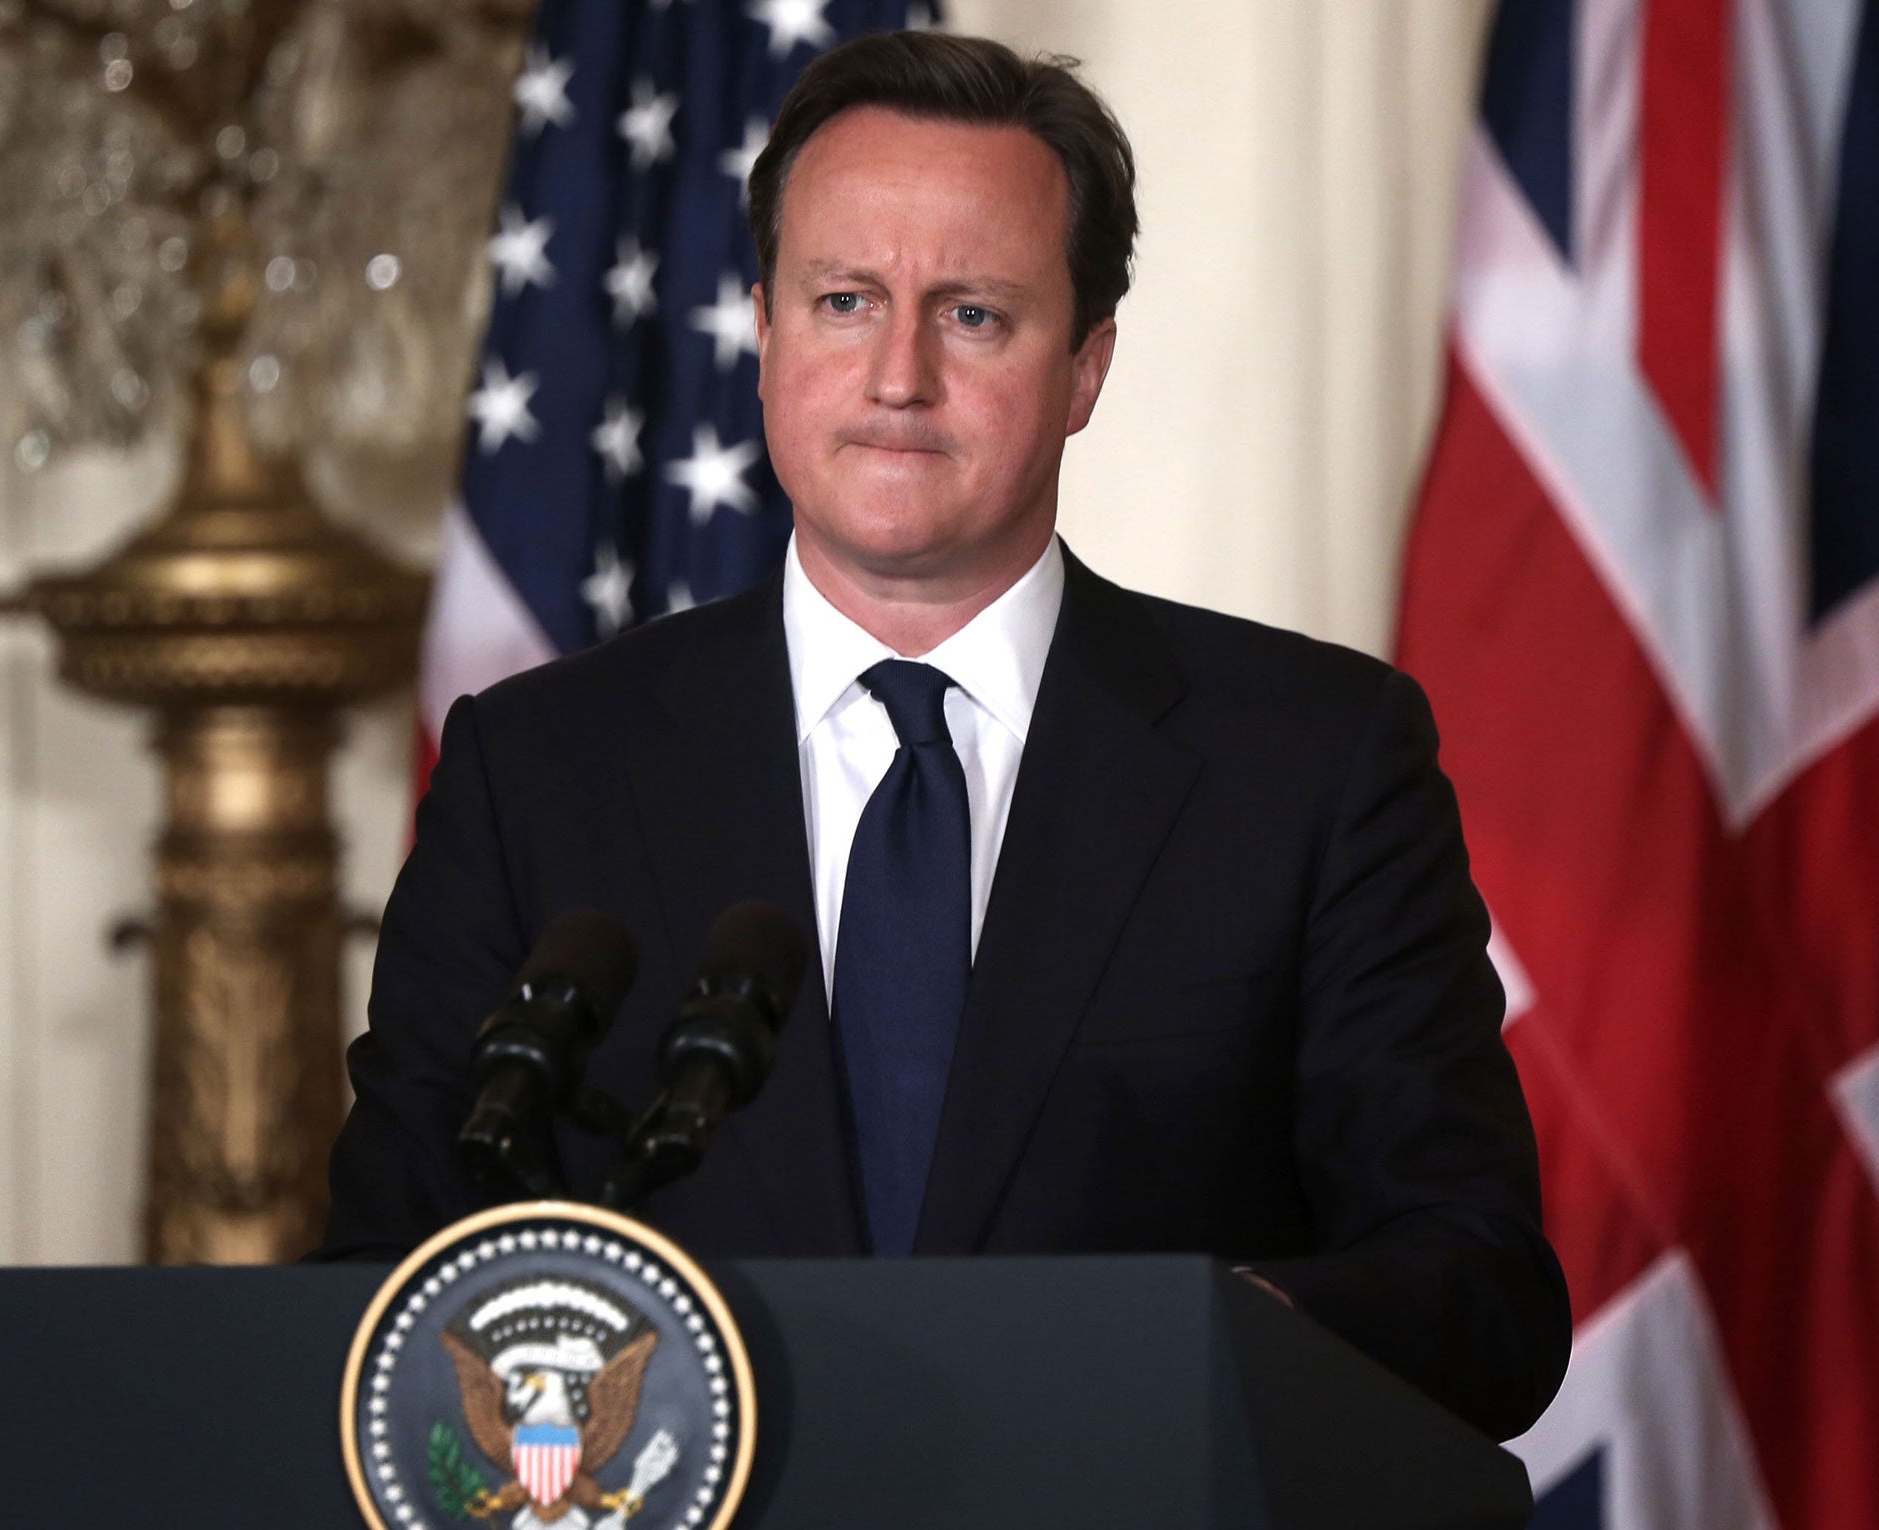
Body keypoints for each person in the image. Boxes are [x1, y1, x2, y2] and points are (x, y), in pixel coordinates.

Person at [321, 30, 1571, 1442]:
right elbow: (380, 1277)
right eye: (846, 300)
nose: (897, 372)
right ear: (768, 329)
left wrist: (1222, 1340)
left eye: (973, 314)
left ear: (1087, 367)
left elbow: (1483, 1289)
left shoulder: (1314, 762)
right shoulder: (536, 769)